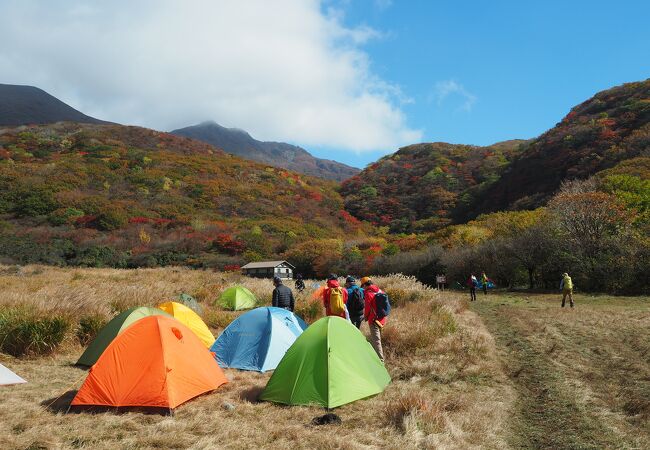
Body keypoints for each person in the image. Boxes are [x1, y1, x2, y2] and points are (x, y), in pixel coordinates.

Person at [360, 277, 386, 363]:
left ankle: (380, 361)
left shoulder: (368, 293)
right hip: (381, 318)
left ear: (364, 285)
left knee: (376, 340)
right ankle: (378, 355)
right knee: (378, 339)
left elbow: (367, 308)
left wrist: (366, 317)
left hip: (373, 319)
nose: (362, 288)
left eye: (362, 286)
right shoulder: (380, 290)